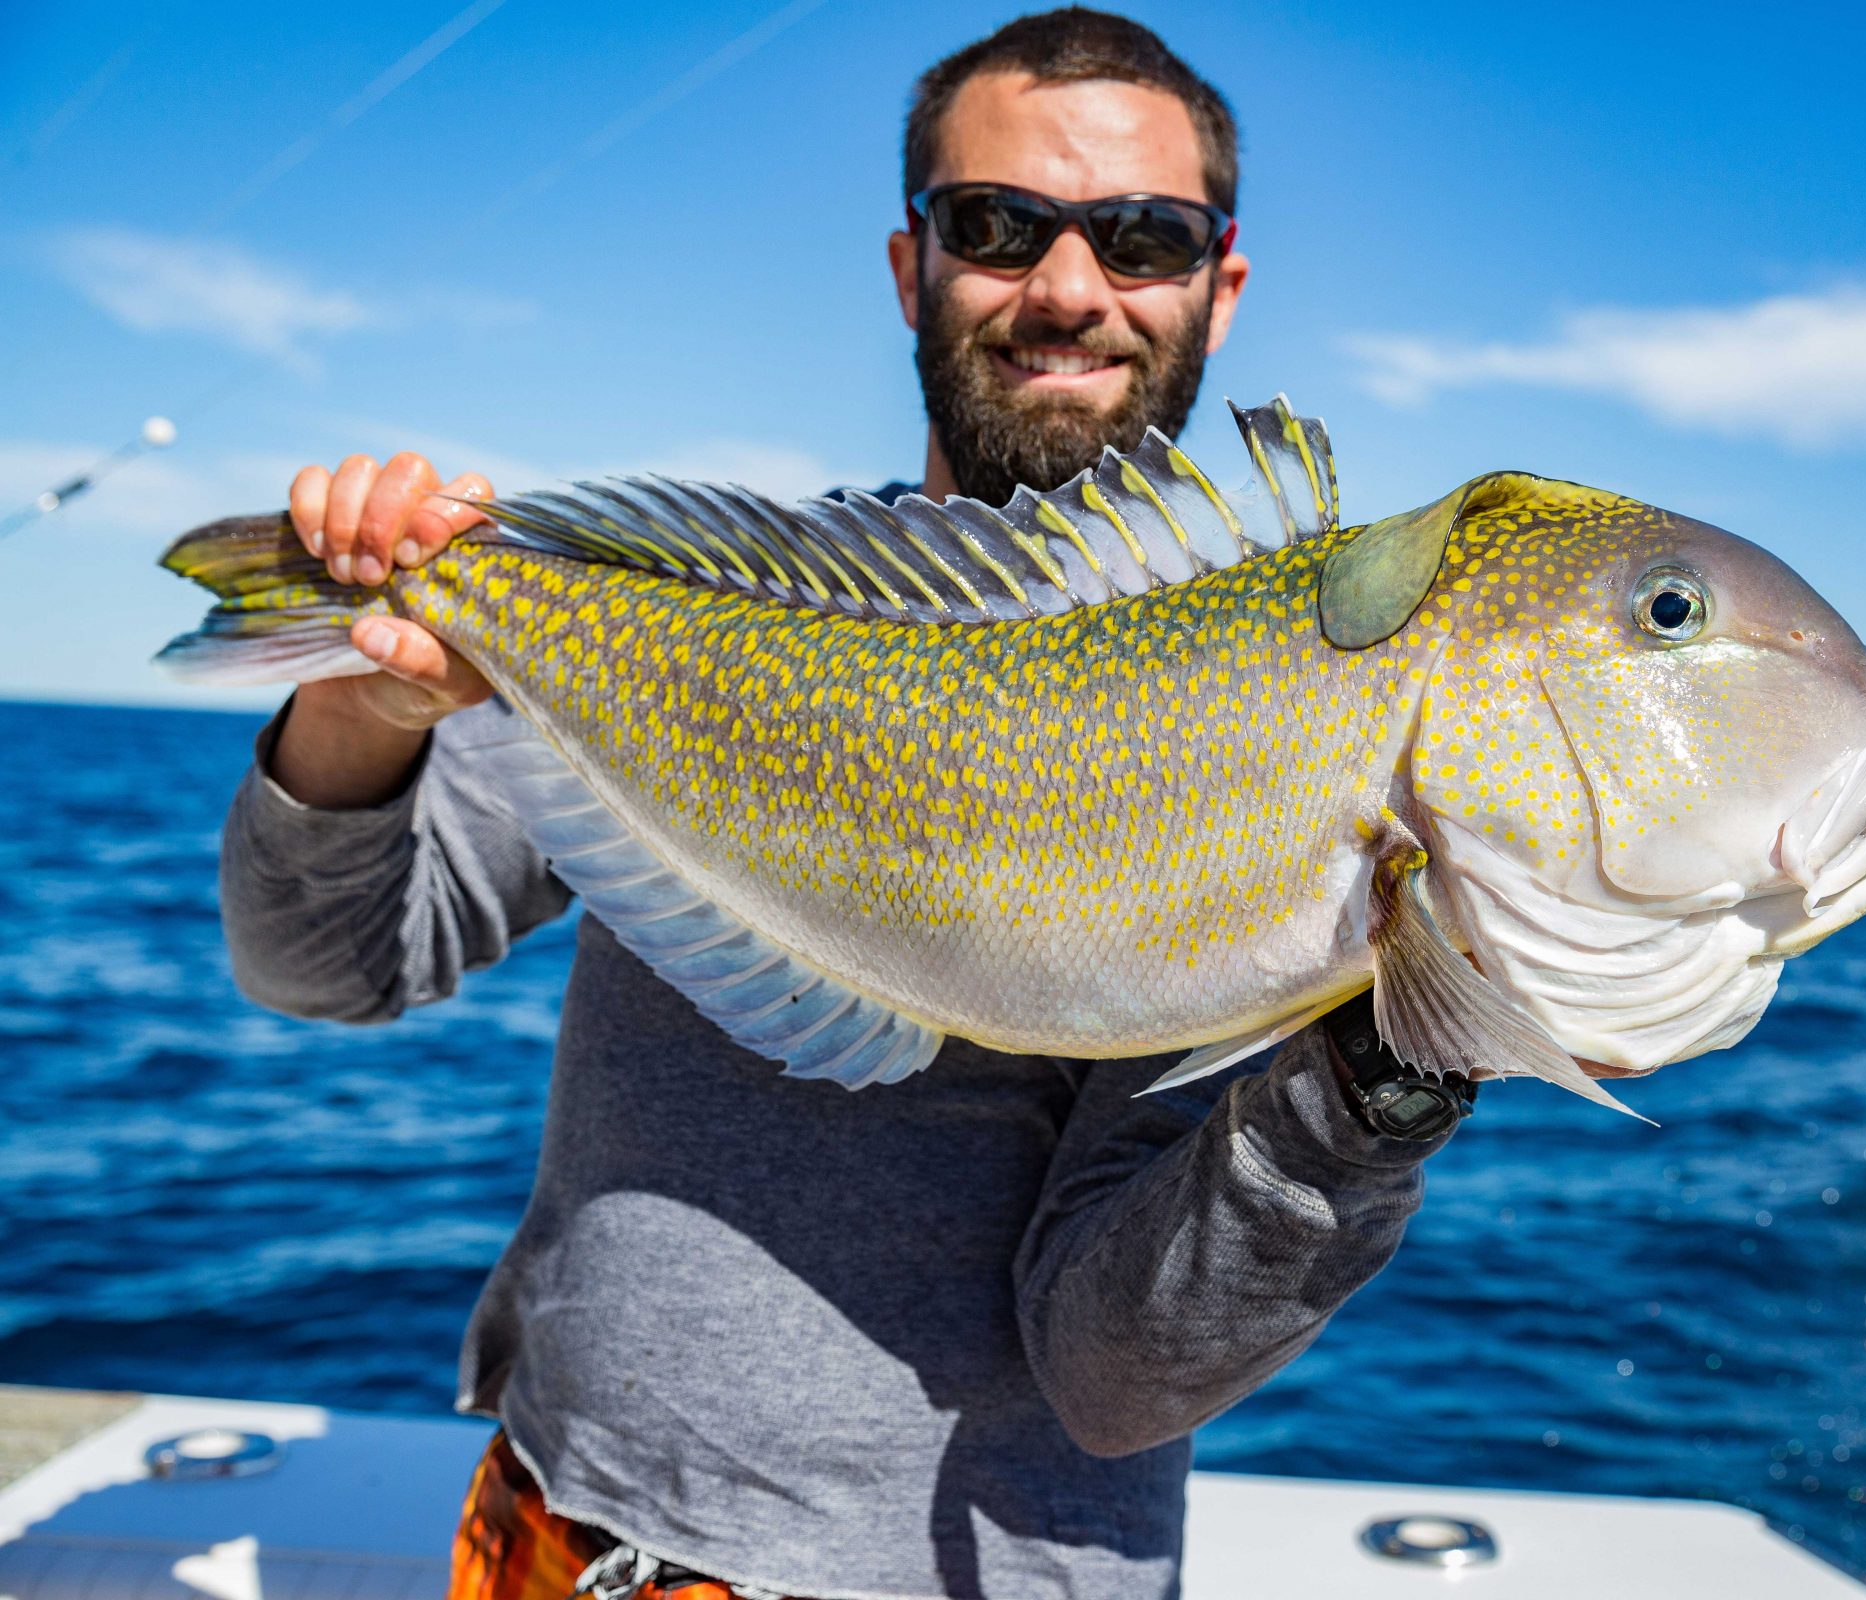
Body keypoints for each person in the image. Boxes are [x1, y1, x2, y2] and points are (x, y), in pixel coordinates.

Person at [220, 12, 1451, 1600]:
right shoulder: (697, 619)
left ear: (1220, 281)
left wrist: (1382, 1078)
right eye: (997, 226)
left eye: (1143, 237)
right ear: (908, 264)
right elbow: (323, 966)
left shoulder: (1297, 711)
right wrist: (362, 696)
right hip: (544, 1531)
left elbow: (1117, 1370)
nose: (1069, 288)